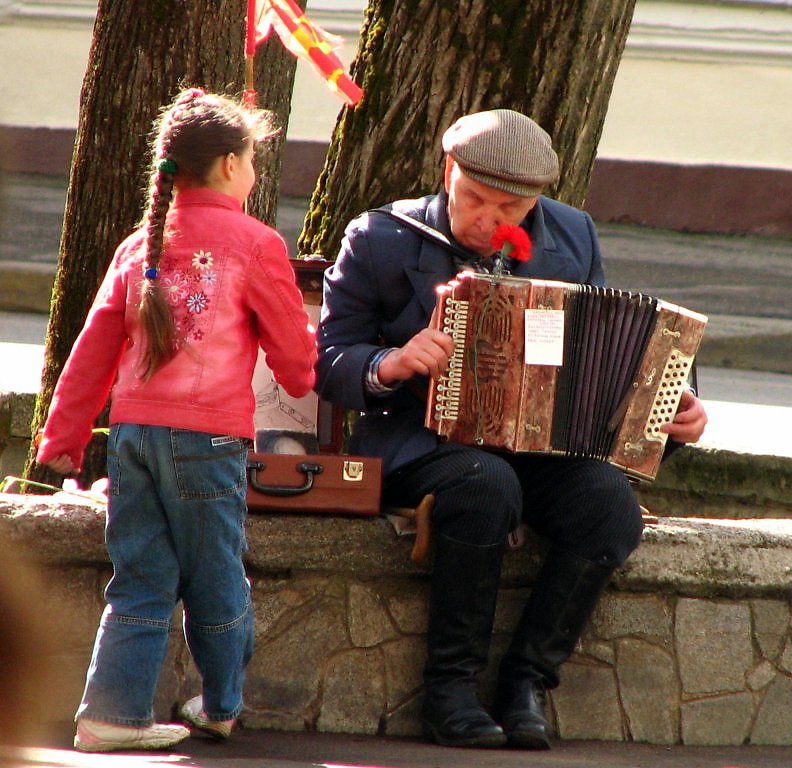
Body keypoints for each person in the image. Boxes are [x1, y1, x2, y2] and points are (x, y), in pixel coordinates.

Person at [315, 108, 707, 750]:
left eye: (512, 208)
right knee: (483, 481)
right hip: (420, 438)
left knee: (609, 508)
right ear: (449, 173)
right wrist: (391, 362)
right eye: (474, 200)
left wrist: (677, 404)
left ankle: (525, 682)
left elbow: (605, 341)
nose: (490, 221)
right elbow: (328, 360)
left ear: (537, 200)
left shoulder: (574, 234)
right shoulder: (382, 237)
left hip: (540, 444)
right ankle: (449, 691)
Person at [35, 87, 317, 753]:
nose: (253, 171)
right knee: (217, 573)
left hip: (131, 436)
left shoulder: (142, 244)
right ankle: (220, 704)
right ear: (226, 165)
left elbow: (93, 350)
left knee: (140, 575)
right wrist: (305, 376)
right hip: (209, 440)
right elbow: (293, 347)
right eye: (251, 159)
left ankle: (110, 713)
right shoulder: (255, 242)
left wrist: (64, 438)